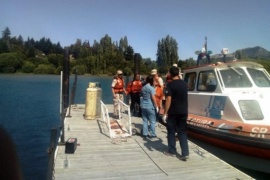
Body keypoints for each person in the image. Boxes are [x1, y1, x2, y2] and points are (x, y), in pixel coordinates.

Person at [162, 66, 189, 161]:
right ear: (178, 73)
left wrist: (165, 113)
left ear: (170, 74)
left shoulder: (170, 85)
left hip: (173, 112)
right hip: (184, 111)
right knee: (182, 132)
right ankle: (185, 153)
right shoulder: (184, 84)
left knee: (171, 131)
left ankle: (172, 151)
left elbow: (168, 100)